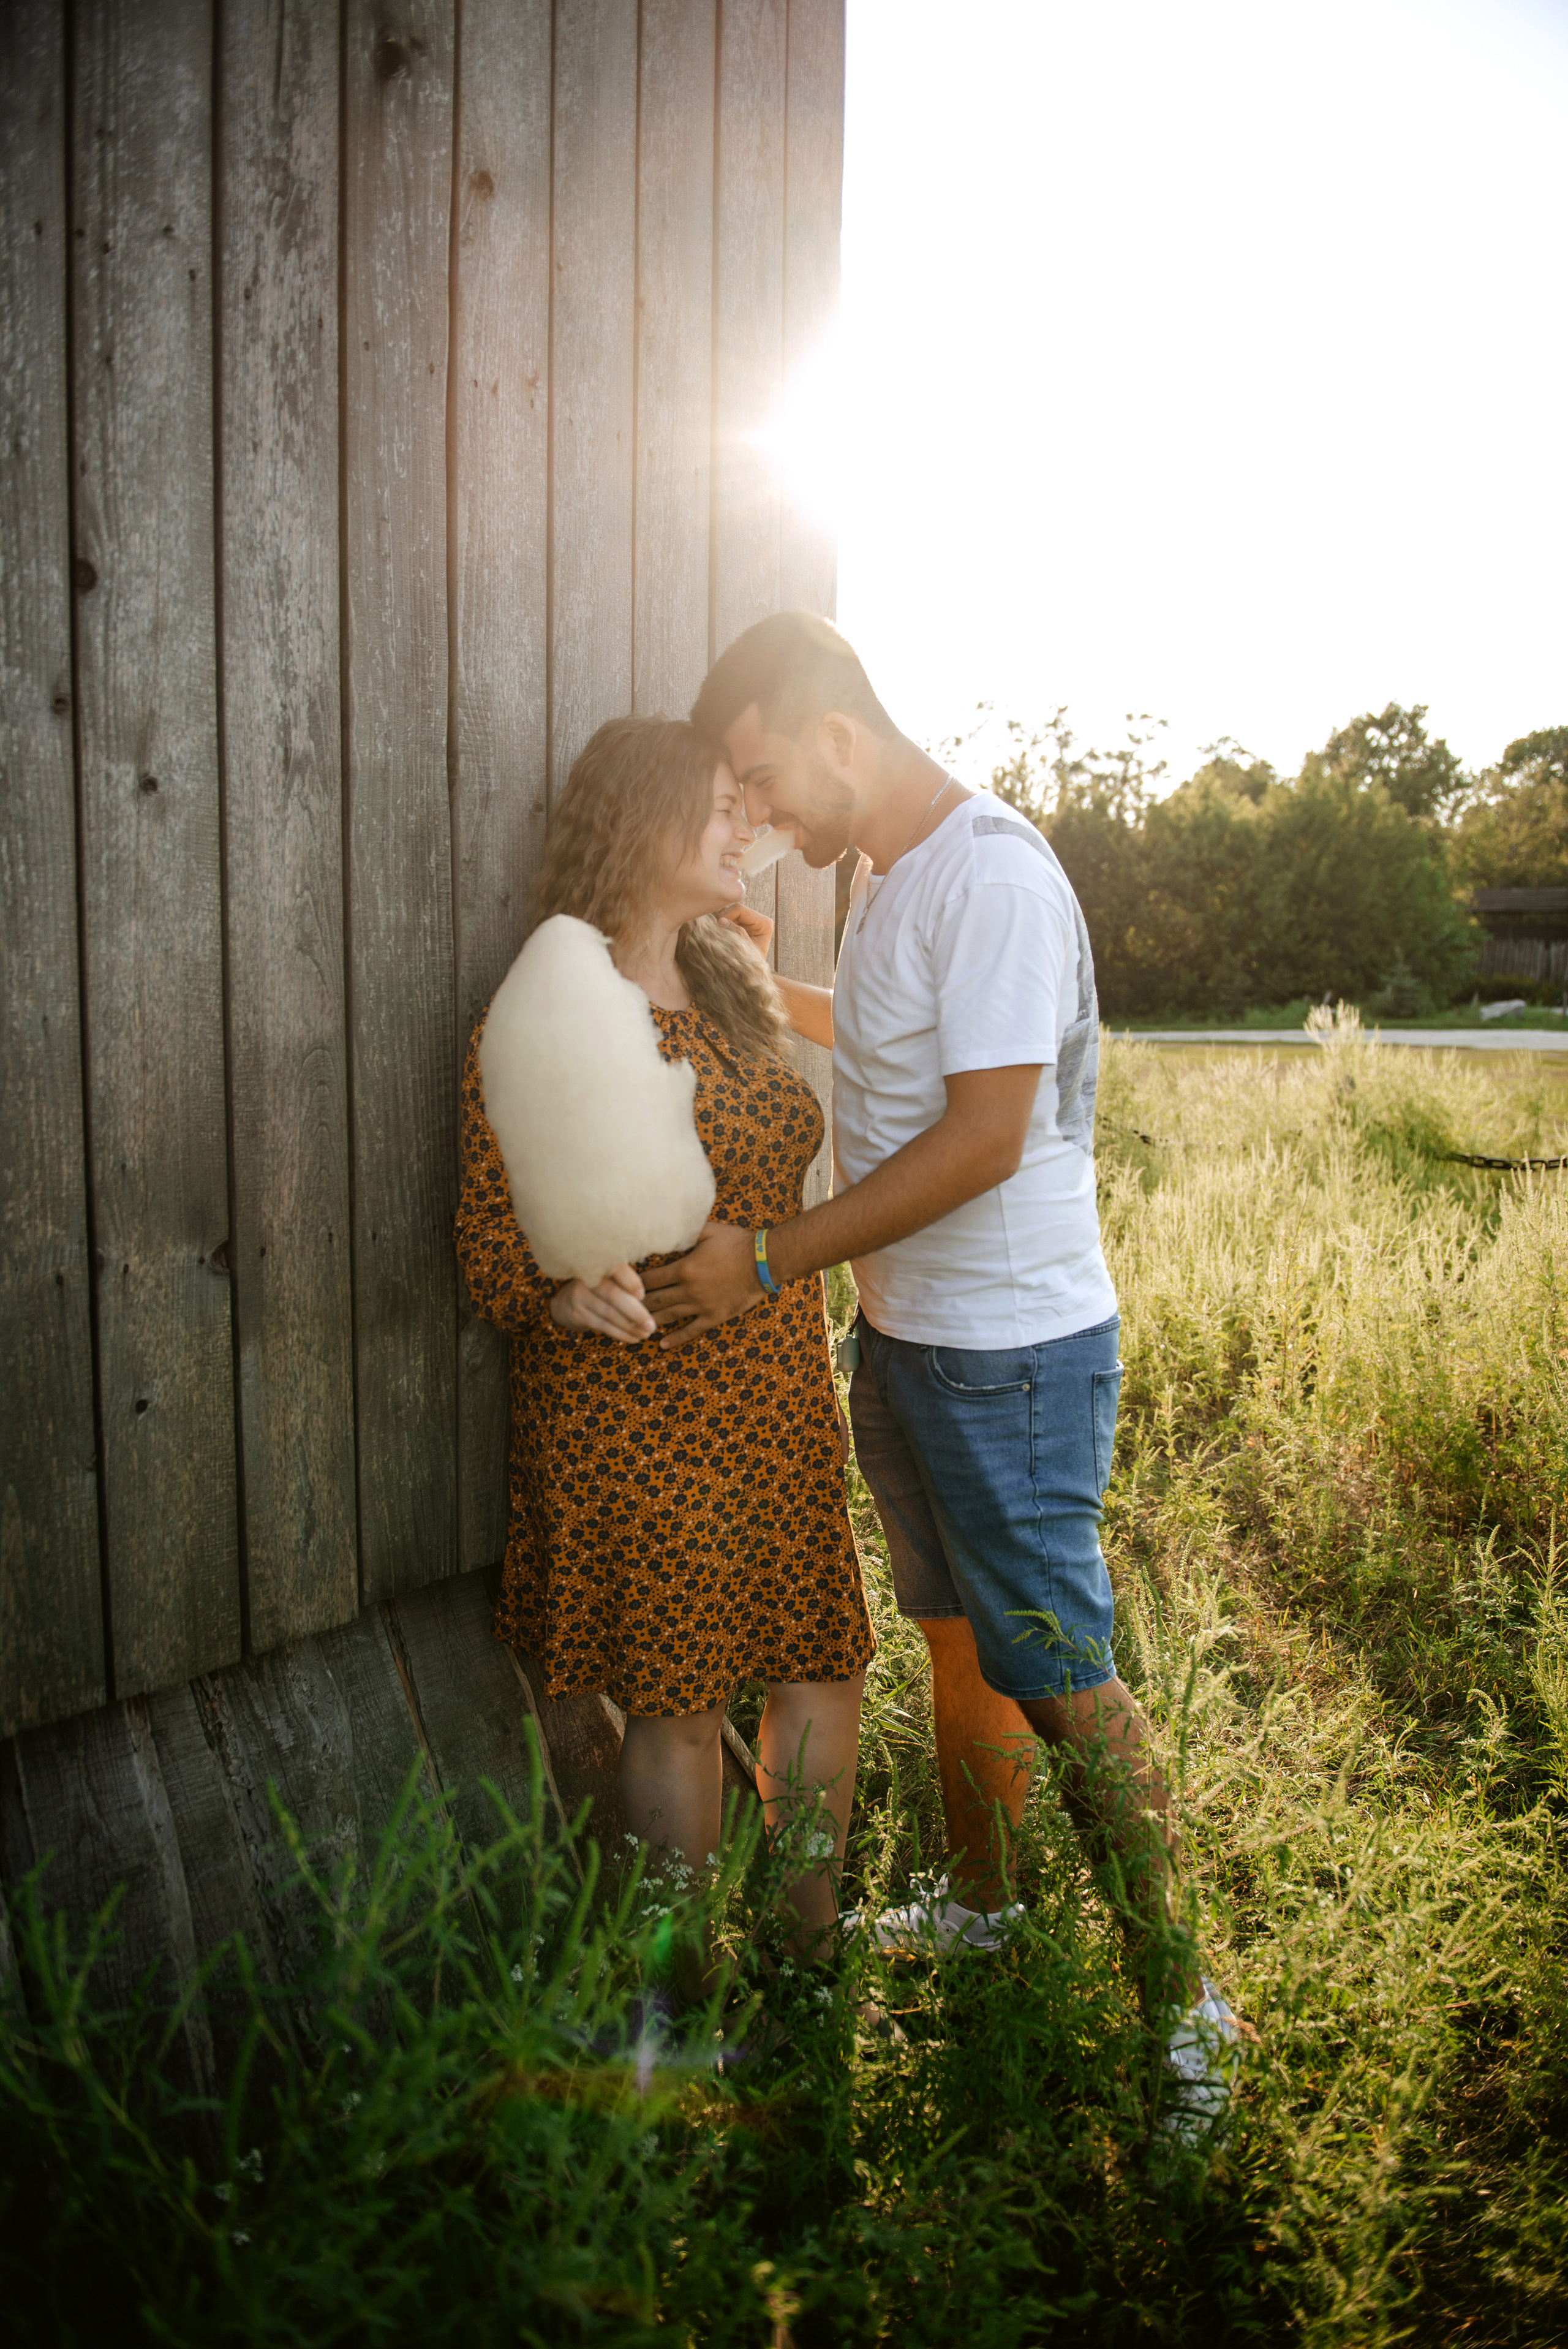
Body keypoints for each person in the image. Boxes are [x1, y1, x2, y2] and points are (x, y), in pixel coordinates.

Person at [642, 615, 1243, 2132]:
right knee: (955, 1639)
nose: (765, 818)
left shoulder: (990, 872)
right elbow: (902, 1046)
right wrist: (761, 995)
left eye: (769, 778)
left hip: (1011, 1356)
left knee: (1056, 1670)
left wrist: (769, 1258)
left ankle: (1186, 2003)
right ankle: (986, 1907)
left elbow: (982, 1137)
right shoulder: (893, 877)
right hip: (913, 1339)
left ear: (834, 729)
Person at [454, 714, 873, 1976]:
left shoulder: (737, 980)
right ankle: (680, 1995)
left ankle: (801, 1967)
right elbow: (484, 1242)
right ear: (641, 822)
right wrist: (555, 1296)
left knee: (824, 1674)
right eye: (720, 805)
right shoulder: (548, 1012)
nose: (747, 822)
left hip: (778, 1389)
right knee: (680, 1710)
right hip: (637, 1415)